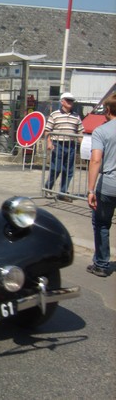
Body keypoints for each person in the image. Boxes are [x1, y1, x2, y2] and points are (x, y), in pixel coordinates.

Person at [86, 93, 116, 277]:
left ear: (107, 110)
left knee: (102, 224)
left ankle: (102, 264)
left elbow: (96, 161)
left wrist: (90, 190)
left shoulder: (101, 131)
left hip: (108, 185)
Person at [44, 92, 84, 201]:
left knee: (68, 170)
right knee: (56, 169)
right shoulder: (55, 114)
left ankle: (62, 192)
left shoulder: (76, 116)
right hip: (58, 144)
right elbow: (48, 130)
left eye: (71, 101)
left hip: (70, 145)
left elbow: (80, 132)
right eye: (68, 100)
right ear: (62, 102)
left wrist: (84, 146)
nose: (70, 102)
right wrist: (49, 142)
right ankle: (48, 188)